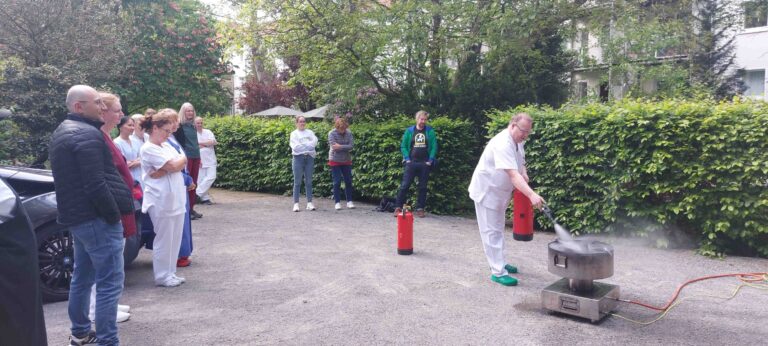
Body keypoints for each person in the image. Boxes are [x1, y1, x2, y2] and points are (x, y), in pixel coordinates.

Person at [49, 85, 133, 346]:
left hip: (79, 219)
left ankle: (81, 333)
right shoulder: (88, 134)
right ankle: (107, 341)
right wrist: (113, 216)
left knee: (82, 277)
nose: (102, 107)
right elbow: (96, 184)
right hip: (97, 219)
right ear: (79, 107)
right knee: (109, 283)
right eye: (97, 102)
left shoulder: (62, 131)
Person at [468, 113, 544, 287]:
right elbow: (512, 174)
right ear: (513, 125)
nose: (525, 135)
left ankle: (500, 261)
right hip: (487, 192)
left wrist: (524, 172)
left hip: (499, 193)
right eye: (523, 131)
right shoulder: (502, 143)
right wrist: (531, 195)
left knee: (498, 229)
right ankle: (498, 272)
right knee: (491, 232)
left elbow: (520, 162)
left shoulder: (518, 141)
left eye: (528, 132)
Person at [92, 93, 136, 325]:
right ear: (104, 112)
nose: (122, 114)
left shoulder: (105, 135)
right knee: (106, 263)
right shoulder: (98, 137)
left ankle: (109, 303)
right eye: (117, 110)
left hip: (120, 203)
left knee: (114, 259)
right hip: (112, 208)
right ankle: (98, 309)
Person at [139, 109, 188, 287]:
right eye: (166, 131)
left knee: (175, 238)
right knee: (164, 239)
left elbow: (182, 160)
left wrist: (169, 167)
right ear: (155, 128)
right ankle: (162, 275)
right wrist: (173, 165)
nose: (169, 134)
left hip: (176, 198)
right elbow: (174, 165)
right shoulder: (148, 148)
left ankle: (171, 272)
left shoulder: (165, 145)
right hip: (160, 200)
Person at [394, 110, 438, 218]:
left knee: (423, 187)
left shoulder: (430, 131)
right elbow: (403, 146)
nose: (423, 121)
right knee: (404, 186)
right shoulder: (409, 131)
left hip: (424, 163)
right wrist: (407, 159)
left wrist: (430, 160)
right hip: (411, 163)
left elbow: (434, 146)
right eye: (421, 119)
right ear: (417, 119)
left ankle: (420, 209)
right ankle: (398, 207)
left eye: (425, 119)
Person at [177, 103, 202, 220]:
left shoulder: (193, 126)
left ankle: (191, 208)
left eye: (191, 111)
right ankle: (186, 209)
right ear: (183, 112)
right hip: (186, 157)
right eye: (188, 111)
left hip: (196, 156)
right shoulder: (179, 126)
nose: (190, 113)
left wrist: (199, 157)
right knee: (187, 182)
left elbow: (195, 142)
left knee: (194, 183)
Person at [289, 115, 318, 212]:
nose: (302, 123)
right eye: (300, 121)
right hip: (298, 159)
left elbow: (314, 144)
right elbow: (296, 147)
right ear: (296, 123)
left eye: (304, 121)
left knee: (309, 181)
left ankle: (309, 203)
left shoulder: (310, 132)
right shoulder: (294, 134)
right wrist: (308, 145)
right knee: (297, 182)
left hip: (309, 158)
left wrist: (304, 145)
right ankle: (296, 204)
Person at [328, 117, 355, 210]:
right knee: (337, 181)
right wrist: (345, 147)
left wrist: (340, 146)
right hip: (334, 159)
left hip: (346, 159)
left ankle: (349, 201)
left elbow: (351, 146)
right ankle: (337, 202)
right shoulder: (331, 133)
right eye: (341, 129)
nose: (343, 131)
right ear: (337, 127)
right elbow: (334, 147)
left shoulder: (349, 133)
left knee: (348, 181)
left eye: (344, 128)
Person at [195, 116, 218, 205]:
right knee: (200, 180)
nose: (200, 124)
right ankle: (205, 199)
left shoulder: (208, 132)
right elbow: (194, 146)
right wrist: (206, 143)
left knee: (212, 177)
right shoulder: (193, 134)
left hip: (211, 159)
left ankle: (196, 194)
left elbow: (213, 142)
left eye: (201, 123)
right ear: (194, 124)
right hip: (200, 159)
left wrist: (200, 143)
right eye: (198, 123)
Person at [113, 116, 143, 185]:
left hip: (140, 175)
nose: (132, 128)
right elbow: (122, 164)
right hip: (128, 177)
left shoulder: (136, 140)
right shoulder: (117, 143)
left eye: (133, 125)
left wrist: (133, 162)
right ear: (120, 127)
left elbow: (143, 157)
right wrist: (138, 161)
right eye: (129, 125)